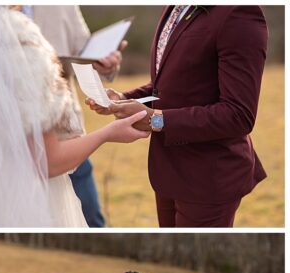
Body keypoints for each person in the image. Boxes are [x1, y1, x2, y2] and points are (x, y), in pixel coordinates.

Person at [0, 5, 149, 228]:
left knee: (92, 217)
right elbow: (47, 162)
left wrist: (105, 64)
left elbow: (85, 50)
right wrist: (108, 133)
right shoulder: (17, 37)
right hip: (46, 159)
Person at [87, 6, 268, 227]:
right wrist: (123, 98)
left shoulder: (239, 13)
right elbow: (171, 84)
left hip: (208, 177)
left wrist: (156, 119)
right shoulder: (173, 7)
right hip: (167, 170)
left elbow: (238, 114)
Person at [22, 5, 126, 227]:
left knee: (90, 221)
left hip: (68, 136)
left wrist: (106, 63)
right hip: (11, 140)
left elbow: (87, 55)